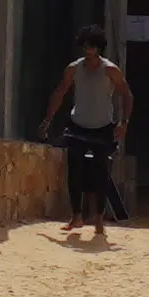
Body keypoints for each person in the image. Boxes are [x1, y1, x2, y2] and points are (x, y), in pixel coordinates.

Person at [47, 27, 136, 246]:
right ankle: (76, 216)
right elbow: (60, 92)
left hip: (103, 126)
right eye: (85, 45)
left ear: (99, 48)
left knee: (101, 173)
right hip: (78, 125)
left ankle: (98, 219)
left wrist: (124, 122)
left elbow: (126, 94)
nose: (89, 50)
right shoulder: (74, 68)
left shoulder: (110, 70)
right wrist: (48, 120)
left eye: (92, 46)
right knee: (74, 170)